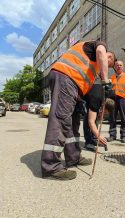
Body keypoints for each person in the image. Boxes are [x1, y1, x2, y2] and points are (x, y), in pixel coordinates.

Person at [41, 41, 115, 180]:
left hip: (73, 86)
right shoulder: (101, 46)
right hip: (66, 78)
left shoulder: (91, 62)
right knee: (61, 119)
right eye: (109, 65)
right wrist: (105, 81)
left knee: (73, 122)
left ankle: (73, 157)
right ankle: (51, 167)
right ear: (109, 57)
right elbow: (100, 53)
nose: (104, 68)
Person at [83, 76, 115, 151]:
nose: (104, 113)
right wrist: (99, 136)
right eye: (105, 111)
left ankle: (94, 139)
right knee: (88, 119)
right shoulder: (96, 99)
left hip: (95, 94)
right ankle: (88, 142)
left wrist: (101, 114)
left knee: (95, 118)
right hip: (84, 96)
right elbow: (91, 121)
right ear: (103, 105)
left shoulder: (110, 95)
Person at [107, 60, 125, 143]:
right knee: (112, 118)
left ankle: (123, 136)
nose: (119, 66)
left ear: (123, 67)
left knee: (124, 117)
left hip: (123, 99)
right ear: (115, 67)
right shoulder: (111, 78)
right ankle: (112, 135)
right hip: (112, 99)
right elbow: (108, 89)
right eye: (117, 65)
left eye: (120, 65)